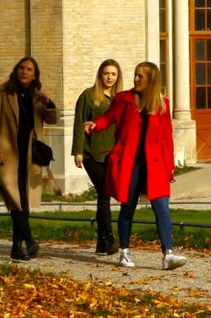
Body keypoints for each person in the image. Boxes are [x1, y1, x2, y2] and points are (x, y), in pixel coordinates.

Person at [84, 61, 186, 270]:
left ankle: (168, 254)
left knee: (162, 209)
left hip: (155, 165)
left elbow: (167, 139)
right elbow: (109, 118)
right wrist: (95, 125)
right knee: (127, 208)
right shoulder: (123, 99)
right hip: (130, 164)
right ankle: (125, 252)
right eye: (136, 75)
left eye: (141, 76)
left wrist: (169, 169)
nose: (136, 79)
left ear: (152, 80)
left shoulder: (162, 104)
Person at [0, 57, 58, 261]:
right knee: (14, 198)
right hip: (7, 155)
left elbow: (52, 119)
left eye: (29, 69)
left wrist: (49, 103)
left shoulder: (37, 96)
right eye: (21, 68)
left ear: (35, 75)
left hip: (29, 155)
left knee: (23, 201)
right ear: (16, 70)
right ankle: (29, 240)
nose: (24, 72)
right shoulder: (2, 93)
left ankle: (18, 246)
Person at [71, 59, 123, 256]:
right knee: (104, 192)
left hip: (112, 154)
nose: (109, 77)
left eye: (113, 74)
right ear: (100, 74)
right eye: (106, 73)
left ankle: (102, 243)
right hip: (91, 154)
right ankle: (109, 238)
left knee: (104, 195)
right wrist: (78, 151)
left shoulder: (119, 98)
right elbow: (78, 124)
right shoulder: (88, 95)